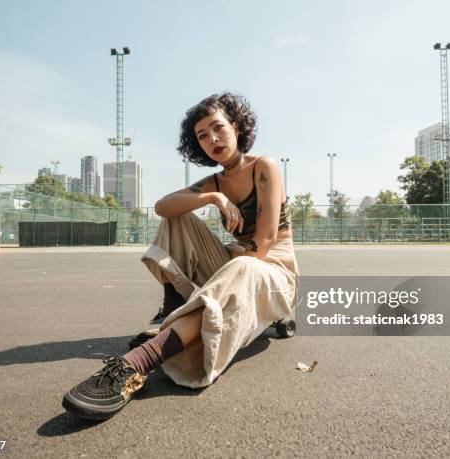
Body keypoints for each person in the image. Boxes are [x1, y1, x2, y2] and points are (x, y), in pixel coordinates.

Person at [62, 92, 300, 420]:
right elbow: (163, 206)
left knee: (245, 264)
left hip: (272, 268)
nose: (212, 139)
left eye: (218, 128)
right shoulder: (214, 181)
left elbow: (265, 241)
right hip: (234, 263)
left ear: (235, 126)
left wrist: (230, 268)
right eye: (202, 136)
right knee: (179, 213)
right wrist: (213, 197)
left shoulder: (264, 166)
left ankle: (137, 364)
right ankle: (172, 308)